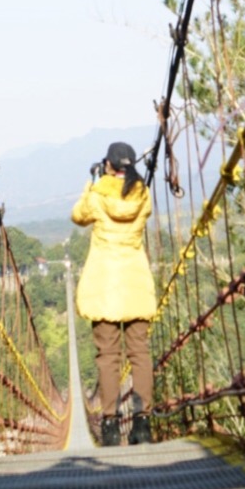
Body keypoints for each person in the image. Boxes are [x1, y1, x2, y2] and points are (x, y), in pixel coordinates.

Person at [72, 140, 156, 446]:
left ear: (107, 165)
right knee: (140, 354)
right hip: (136, 285)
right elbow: (134, 194)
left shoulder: (97, 195)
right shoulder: (143, 195)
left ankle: (109, 425)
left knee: (108, 358)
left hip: (104, 287)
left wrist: (93, 181)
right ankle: (143, 424)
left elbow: (78, 215)